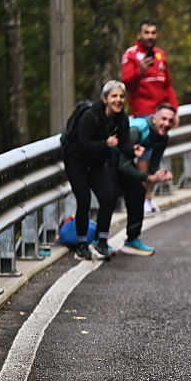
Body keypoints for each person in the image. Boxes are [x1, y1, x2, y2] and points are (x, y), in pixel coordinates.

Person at [62, 80, 142, 261]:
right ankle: (82, 246)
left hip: (97, 162)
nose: (119, 100)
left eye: (121, 96)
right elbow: (83, 144)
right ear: (105, 99)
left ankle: (102, 242)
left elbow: (124, 143)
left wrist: (133, 150)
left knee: (108, 196)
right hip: (77, 160)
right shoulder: (91, 116)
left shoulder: (121, 118)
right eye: (114, 96)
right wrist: (104, 144)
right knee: (84, 199)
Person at [121, 19, 180, 214]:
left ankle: (148, 197)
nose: (150, 36)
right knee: (144, 155)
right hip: (144, 113)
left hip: (162, 112)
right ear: (139, 35)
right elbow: (126, 83)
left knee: (157, 156)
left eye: (153, 33)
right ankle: (140, 198)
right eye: (146, 32)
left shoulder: (160, 55)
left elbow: (168, 84)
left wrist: (174, 110)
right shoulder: (130, 55)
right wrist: (141, 70)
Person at [116, 103, 176, 256]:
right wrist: (148, 177)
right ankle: (98, 240)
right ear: (154, 119)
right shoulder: (138, 130)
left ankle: (132, 240)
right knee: (110, 195)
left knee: (138, 192)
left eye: (170, 121)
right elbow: (123, 166)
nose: (166, 124)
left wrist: (160, 174)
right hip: (108, 156)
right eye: (163, 119)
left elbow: (153, 166)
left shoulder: (163, 138)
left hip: (124, 161)